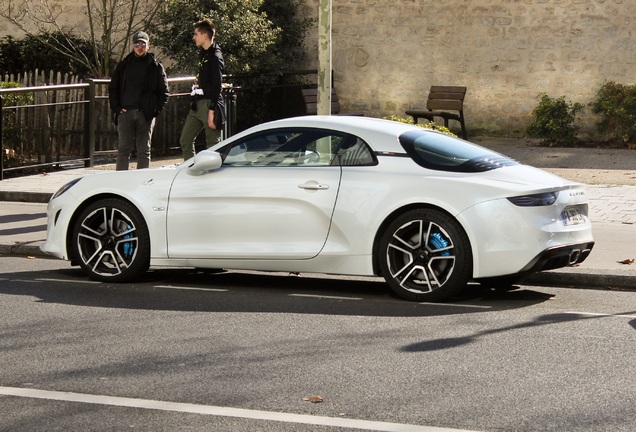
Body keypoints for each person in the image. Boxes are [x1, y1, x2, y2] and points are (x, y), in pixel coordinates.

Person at [109, 30, 169, 171]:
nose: (140, 47)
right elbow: (113, 89)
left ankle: (142, 184)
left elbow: (164, 93)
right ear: (132, 45)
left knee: (144, 151)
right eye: (137, 44)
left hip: (145, 115)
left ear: (148, 46)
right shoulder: (123, 66)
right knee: (123, 150)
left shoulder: (156, 67)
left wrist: (154, 110)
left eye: (143, 43)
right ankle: (121, 185)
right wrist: (117, 108)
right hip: (125, 113)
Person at [179, 18, 226, 161]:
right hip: (197, 103)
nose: (194, 37)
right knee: (185, 140)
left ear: (204, 35)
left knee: (213, 145)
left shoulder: (215, 56)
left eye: (196, 34)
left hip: (209, 104)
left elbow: (218, 85)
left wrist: (212, 110)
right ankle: (191, 170)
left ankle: (213, 176)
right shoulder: (203, 53)